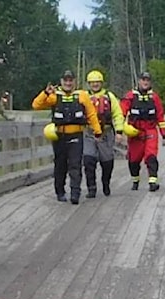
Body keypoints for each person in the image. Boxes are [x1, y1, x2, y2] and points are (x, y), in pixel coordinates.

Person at [32, 70, 102, 204]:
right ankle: (60, 191)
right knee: (60, 165)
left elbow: (91, 114)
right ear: (61, 81)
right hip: (59, 136)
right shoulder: (54, 96)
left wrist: (97, 131)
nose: (68, 83)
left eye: (71, 80)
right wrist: (45, 93)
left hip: (76, 135)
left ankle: (75, 193)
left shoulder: (82, 96)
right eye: (66, 80)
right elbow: (36, 105)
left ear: (75, 81)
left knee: (75, 165)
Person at [121, 71, 165, 191]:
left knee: (151, 156)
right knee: (134, 159)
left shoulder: (155, 98)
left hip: (150, 130)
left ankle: (153, 182)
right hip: (135, 132)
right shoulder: (130, 96)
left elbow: (160, 117)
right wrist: (120, 131)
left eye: (147, 80)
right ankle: (135, 180)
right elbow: (121, 113)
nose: (145, 82)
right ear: (139, 81)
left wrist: (164, 134)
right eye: (143, 80)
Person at [82, 69, 125, 197]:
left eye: (97, 82)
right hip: (89, 132)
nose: (95, 85)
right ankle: (91, 188)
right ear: (88, 83)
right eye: (92, 82)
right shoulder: (83, 96)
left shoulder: (109, 96)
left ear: (101, 83)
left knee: (107, 161)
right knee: (88, 159)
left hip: (106, 132)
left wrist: (119, 131)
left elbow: (117, 114)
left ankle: (106, 182)